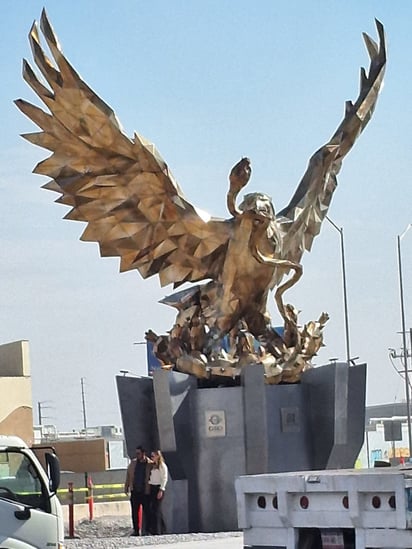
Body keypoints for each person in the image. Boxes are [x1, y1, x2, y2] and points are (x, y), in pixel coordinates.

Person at [124, 446, 153, 536]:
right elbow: (128, 476)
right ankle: (136, 530)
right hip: (135, 491)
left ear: (143, 453)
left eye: (138, 453)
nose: (137, 455)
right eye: (136, 453)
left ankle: (148, 530)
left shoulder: (150, 464)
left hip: (145, 492)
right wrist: (126, 487)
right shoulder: (133, 463)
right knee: (134, 512)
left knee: (147, 511)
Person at [148, 450, 168, 535]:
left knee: (156, 509)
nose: (152, 458)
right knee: (153, 509)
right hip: (152, 487)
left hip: (158, 488)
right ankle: (161, 528)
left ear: (157, 456)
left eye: (153, 456)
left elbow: (164, 478)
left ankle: (157, 530)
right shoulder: (152, 466)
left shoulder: (162, 466)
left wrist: (161, 489)